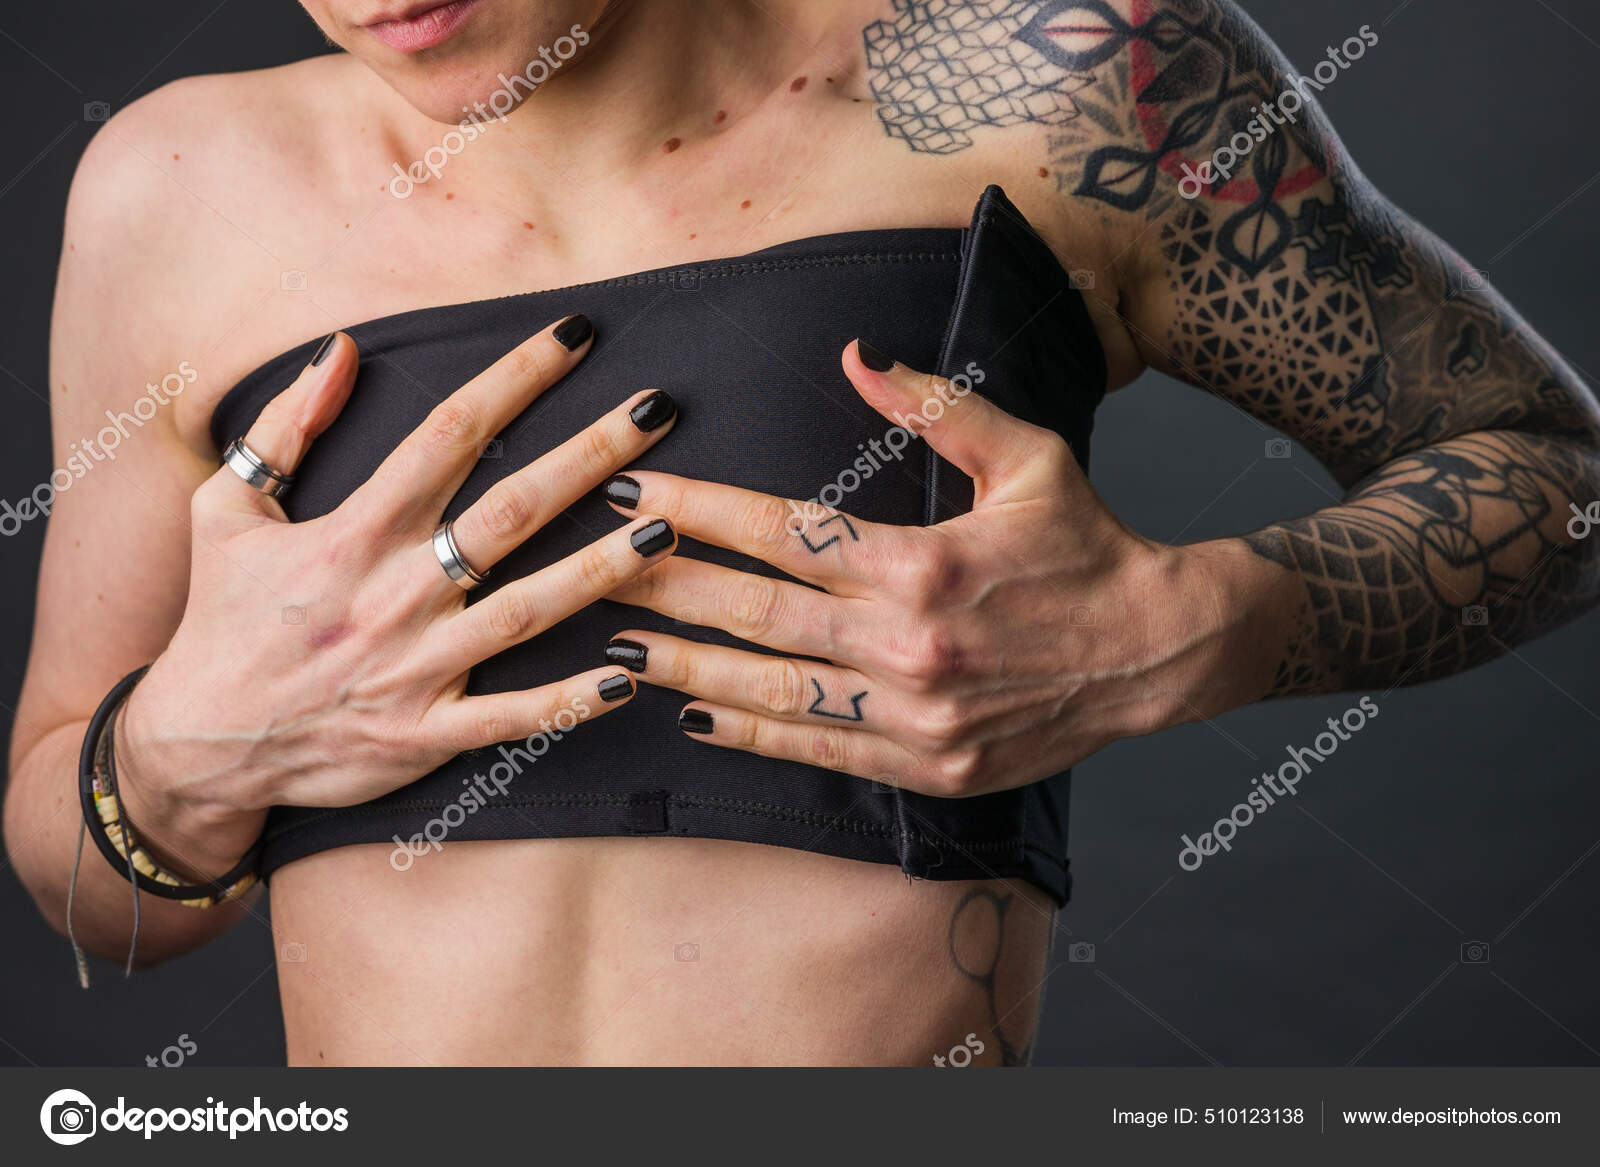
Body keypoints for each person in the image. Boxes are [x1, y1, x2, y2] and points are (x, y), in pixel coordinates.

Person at [6, 0, 1597, 1066]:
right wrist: (177, 762)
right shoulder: (177, 188)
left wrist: (1185, 628)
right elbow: (93, 881)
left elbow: (1558, 472)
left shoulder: (1056, 73)